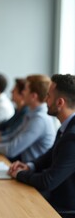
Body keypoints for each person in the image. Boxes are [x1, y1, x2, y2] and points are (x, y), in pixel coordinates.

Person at [8, 74, 75, 214]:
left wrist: (19, 174)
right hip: (54, 200)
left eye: (48, 96)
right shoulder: (67, 127)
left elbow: (48, 181)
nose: (45, 100)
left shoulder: (72, 136)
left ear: (60, 103)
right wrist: (29, 165)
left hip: (62, 209)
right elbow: (51, 154)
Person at [0, 75, 55, 162]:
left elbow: (11, 150)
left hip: (29, 170)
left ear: (33, 96)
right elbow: (11, 136)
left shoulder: (39, 120)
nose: (23, 93)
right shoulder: (31, 113)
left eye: (25, 90)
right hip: (19, 164)